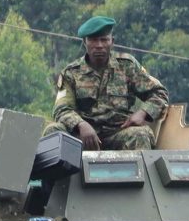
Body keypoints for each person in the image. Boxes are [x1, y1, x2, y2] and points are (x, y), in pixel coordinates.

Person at [52, 15, 167, 151]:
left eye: (104, 40)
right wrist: (81, 125)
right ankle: (58, 173)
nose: (99, 45)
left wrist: (143, 112)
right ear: (85, 42)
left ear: (112, 42)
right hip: (83, 137)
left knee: (141, 134)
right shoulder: (70, 73)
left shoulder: (126, 66)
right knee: (54, 131)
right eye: (94, 40)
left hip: (118, 134)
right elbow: (61, 109)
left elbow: (159, 93)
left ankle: (138, 173)